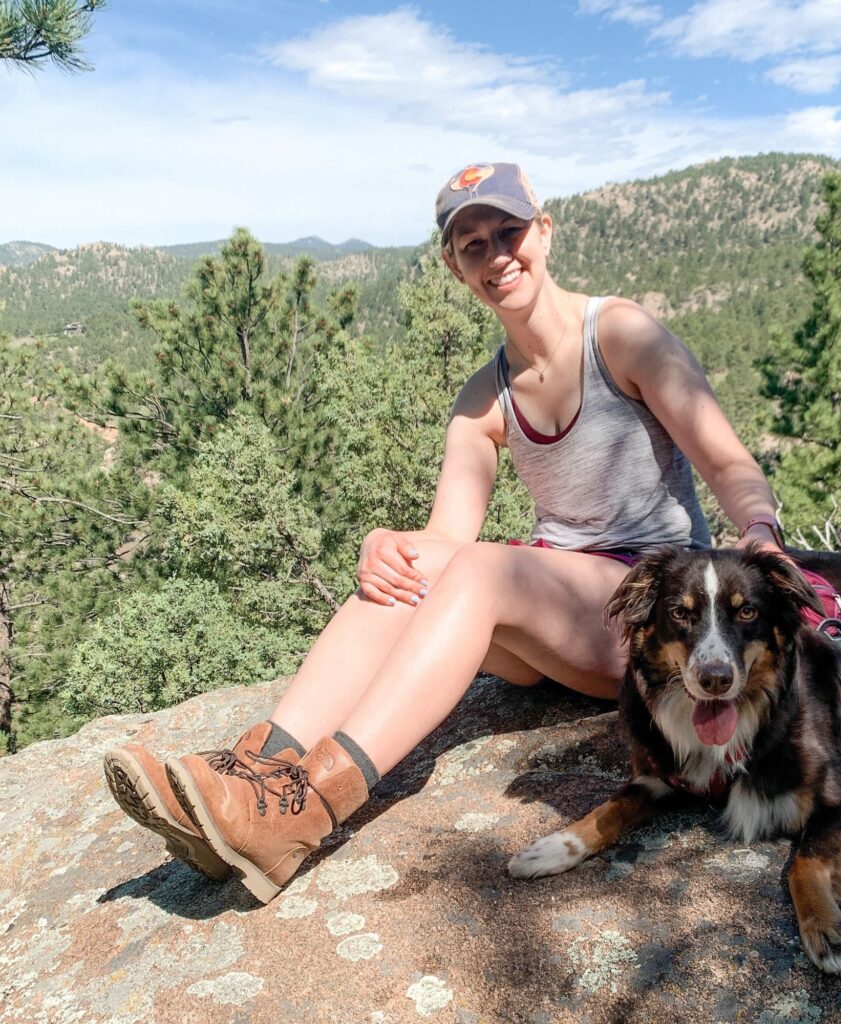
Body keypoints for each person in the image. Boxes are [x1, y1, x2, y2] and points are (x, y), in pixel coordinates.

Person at [103, 162, 786, 904]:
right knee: (406, 566)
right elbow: (445, 542)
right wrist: (384, 543)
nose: (497, 255)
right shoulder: (483, 397)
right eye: (473, 245)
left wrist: (759, 530)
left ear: (545, 233)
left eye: (509, 232)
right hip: (554, 610)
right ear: (454, 267)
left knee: (487, 570)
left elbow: (724, 458)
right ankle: (257, 772)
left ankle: (307, 809)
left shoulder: (620, 335)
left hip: (656, 620)